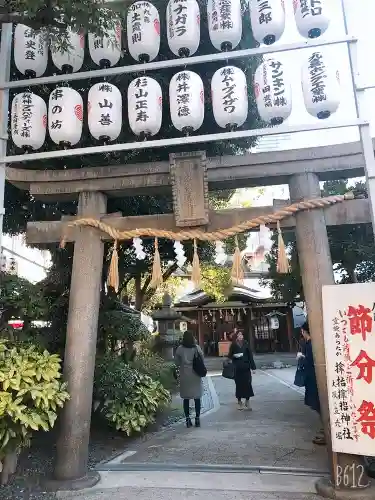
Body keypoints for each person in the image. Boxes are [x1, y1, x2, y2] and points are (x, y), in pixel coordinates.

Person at [299, 321, 326, 446]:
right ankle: (326, 429)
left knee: (319, 405)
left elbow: (310, 362)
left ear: (304, 331)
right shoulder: (310, 343)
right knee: (318, 405)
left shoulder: (311, 344)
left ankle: (327, 432)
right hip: (313, 378)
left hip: (314, 379)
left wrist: (301, 357)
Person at [174, 330, 204, 428]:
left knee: (186, 398)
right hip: (195, 375)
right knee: (197, 397)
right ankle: (197, 418)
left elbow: (177, 362)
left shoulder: (180, 349)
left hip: (185, 375)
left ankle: (187, 419)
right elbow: (202, 358)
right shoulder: (196, 348)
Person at [228, 331, 256, 410]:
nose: (240, 336)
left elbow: (250, 356)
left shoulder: (246, 343)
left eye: (241, 334)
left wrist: (253, 367)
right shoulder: (233, 344)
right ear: (236, 336)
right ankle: (239, 402)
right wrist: (234, 356)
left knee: (248, 384)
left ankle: (247, 401)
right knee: (239, 385)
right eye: (239, 334)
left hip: (246, 367)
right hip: (237, 368)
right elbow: (230, 355)